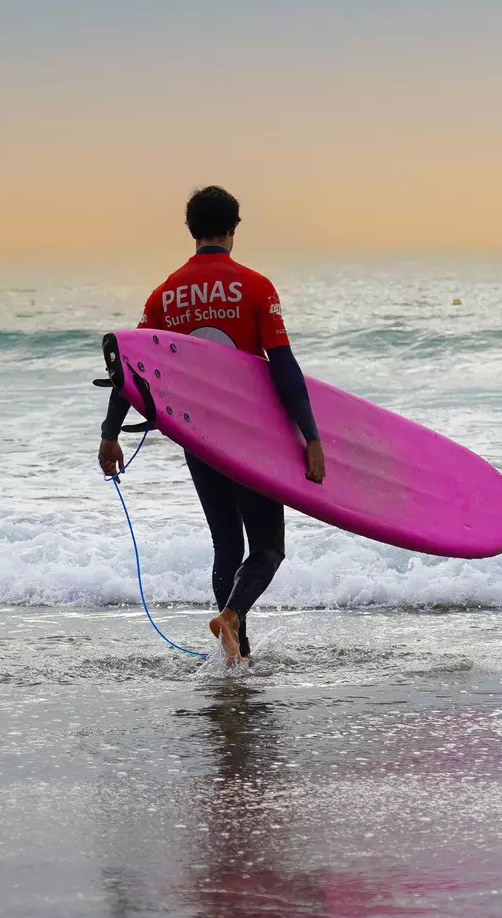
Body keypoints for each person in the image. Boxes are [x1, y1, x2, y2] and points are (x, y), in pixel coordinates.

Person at [97, 187, 324, 665]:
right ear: (234, 229)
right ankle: (233, 617)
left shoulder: (165, 295)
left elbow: (131, 373)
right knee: (267, 547)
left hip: (199, 438)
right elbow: (283, 366)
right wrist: (311, 435)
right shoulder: (256, 286)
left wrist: (110, 434)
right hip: (252, 438)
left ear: (192, 231)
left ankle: (235, 655)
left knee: (226, 544)